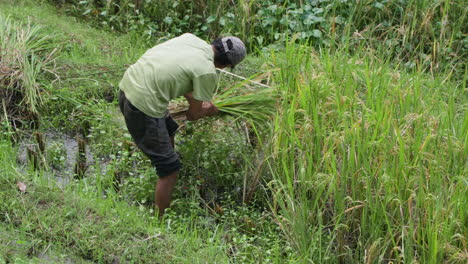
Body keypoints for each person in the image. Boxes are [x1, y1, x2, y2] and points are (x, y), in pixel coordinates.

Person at [118, 33, 246, 216]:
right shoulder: (207, 71)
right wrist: (211, 110)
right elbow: (193, 115)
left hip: (128, 85)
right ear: (226, 65)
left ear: (215, 43)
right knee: (170, 170)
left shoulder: (190, 39)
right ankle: (160, 221)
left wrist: (199, 101)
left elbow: (179, 77)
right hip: (142, 105)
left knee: (170, 128)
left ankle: (165, 168)